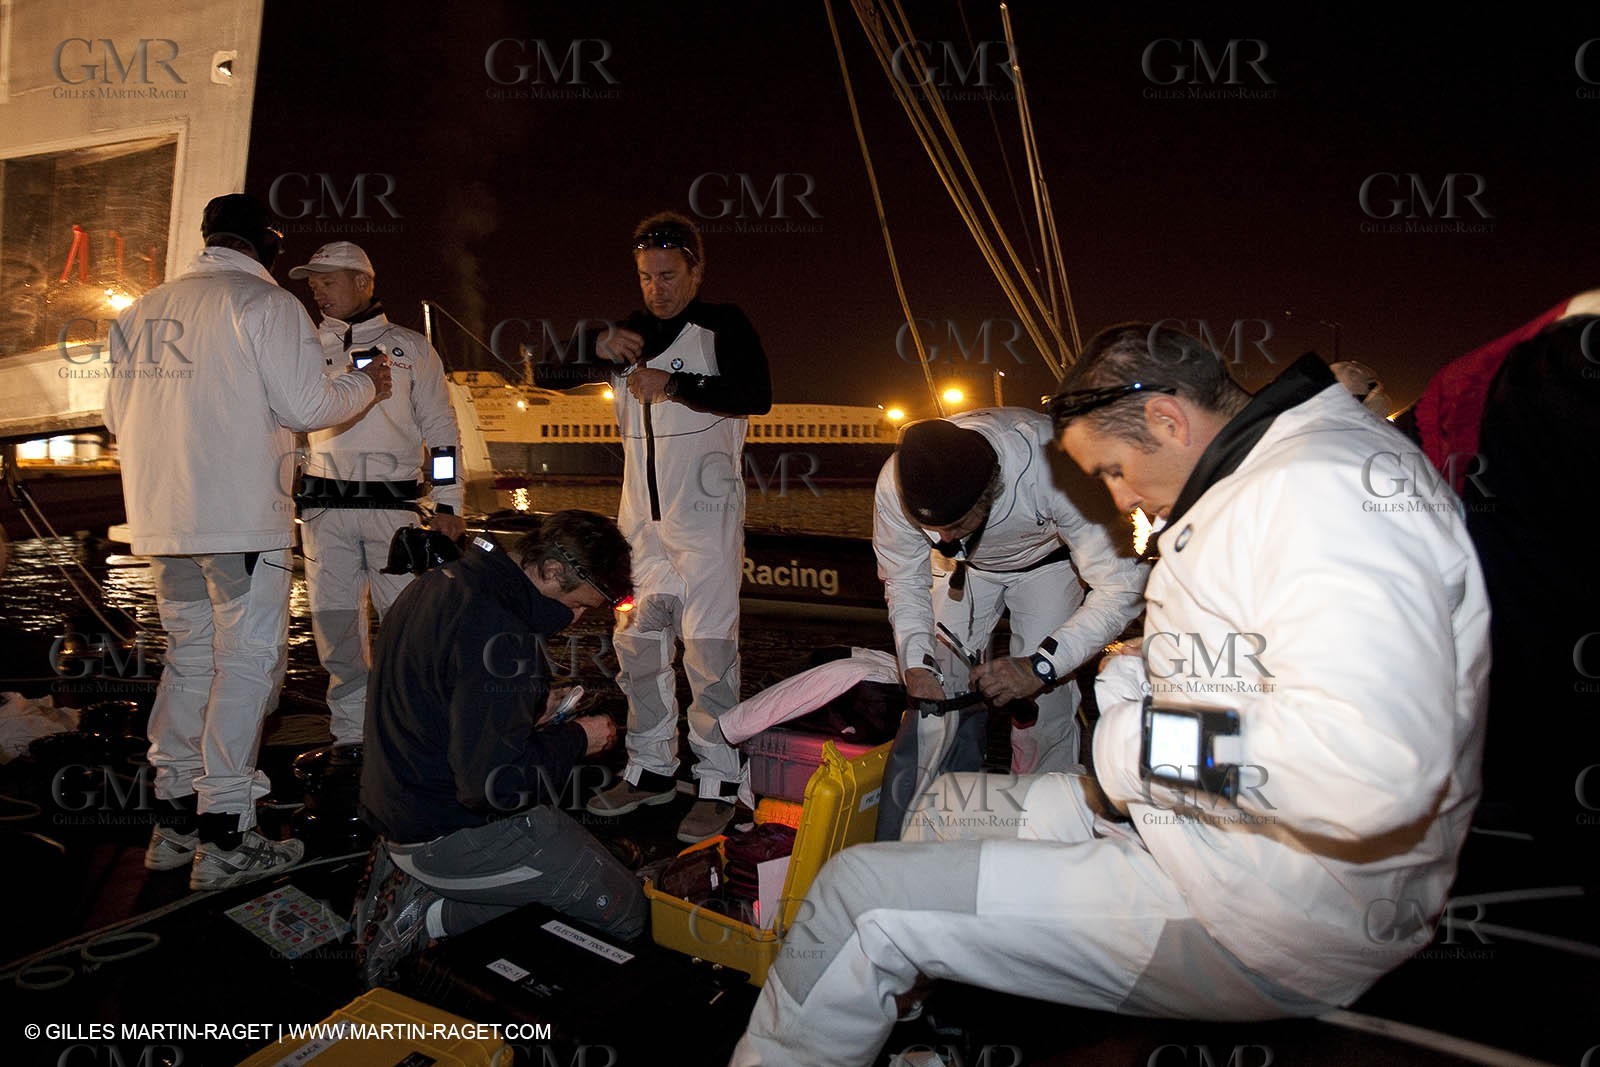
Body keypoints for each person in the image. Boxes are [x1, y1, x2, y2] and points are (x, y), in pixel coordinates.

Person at [731, 323, 1489, 1067]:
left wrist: (1133, 743)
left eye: (1114, 471)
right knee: (943, 810)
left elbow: (1375, 771)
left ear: (1167, 418)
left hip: (1268, 909)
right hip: (1209, 833)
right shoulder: (1280, 473)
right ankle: (932, 999)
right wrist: (1131, 672)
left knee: (856, 896)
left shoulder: (1322, 499)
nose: (1119, 500)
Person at [103, 193, 390, 891]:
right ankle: (228, 830)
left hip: (162, 524)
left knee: (189, 658)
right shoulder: (263, 305)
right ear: (264, 242)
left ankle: (174, 822)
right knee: (246, 664)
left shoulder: (139, 311)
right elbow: (308, 407)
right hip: (238, 522)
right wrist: (367, 383)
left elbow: (115, 416)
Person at [535, 211, 772, 844]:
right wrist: (593, 342)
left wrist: (678, 383)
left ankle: (721, 781)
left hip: (707, 525)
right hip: (640, 526)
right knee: (636, 650)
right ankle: (650, 769)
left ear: (696, 271)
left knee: (710, 656)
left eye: (669, 275)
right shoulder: (628, 334)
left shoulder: (723, 324)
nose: (657, 287)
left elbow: (756, 392)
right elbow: (544, 375)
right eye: (646, 276)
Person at [356, 510, 646, 986]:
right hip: (445, 830)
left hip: (397, 808)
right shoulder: (504, 634)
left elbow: (441, 699)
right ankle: (421, 920)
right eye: (578, 606)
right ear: (551, 571)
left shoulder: (441, 582)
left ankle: (427, 902)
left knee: (565, 864)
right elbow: (494, 787)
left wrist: (526, 708)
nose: (574, 620)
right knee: (625, 907)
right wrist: (578, 739)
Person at [872, 410, 1146, 822]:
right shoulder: (897, 482)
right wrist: (915, 661)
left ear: (992, 490)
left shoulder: (1059, 468)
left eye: (958, 523)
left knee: (1044, 709)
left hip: (1046, 564)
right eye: (935, 529)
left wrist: (1041, 666)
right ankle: (931, 819)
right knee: (934, 693)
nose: (944, 538)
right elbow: (904, 579)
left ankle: (1043, 822)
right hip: (963, 569)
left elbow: (1123, 587)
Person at [286, 241, 467, 745]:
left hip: (395, 513)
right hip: (325, 512)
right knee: (336, 632)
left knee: (410, 630)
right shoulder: (300, 346)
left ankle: (416, 736)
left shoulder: (413, 348)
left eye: (329, 280)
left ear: (364, 281)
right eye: (313, 283)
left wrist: (450, 503)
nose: (318, 292)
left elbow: (443, 431)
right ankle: (350, 741)